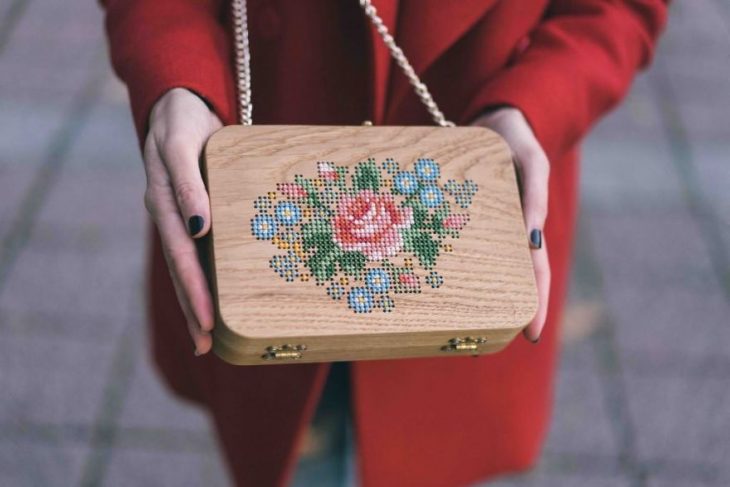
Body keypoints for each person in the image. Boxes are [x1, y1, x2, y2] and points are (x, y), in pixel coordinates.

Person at [101, 1, 668, 485]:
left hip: (472, 199)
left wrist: (535, 101)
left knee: (438, 457)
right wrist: (176, 73)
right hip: (260, 205)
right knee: (288, 455)